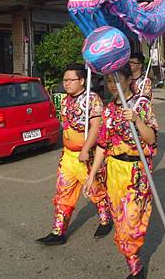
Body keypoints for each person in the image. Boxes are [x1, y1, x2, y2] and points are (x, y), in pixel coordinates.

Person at [83, 64, 158, 279]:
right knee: (120, 222)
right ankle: (136, 267)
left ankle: (134, 256)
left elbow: (151, 139)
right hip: (114, 172)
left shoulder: (141, 104)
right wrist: (91, 176)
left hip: (136, 172)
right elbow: (102, 145)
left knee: (131, 222)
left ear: (128, 80)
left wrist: (136, 119)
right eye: (108, 81)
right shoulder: (108, 110)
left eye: (116, 80)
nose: (112, 85)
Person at [37, 64, 112, 246]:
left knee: (95, 190)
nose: (67, 84)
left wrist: (86, 149)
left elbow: (96, 126)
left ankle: (105, 220)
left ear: (82, 80)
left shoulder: (92, 99)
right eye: (65, 80)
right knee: (63, 193)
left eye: (70, 80)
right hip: (68, 156)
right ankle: (58, 231)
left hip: (86, 157)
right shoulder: (65, 100)